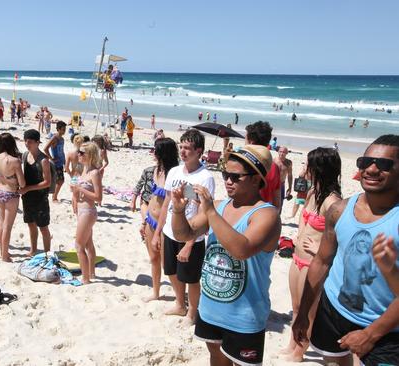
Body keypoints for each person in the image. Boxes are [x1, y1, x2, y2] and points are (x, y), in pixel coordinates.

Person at [292, 135, 399, 366]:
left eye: (383, 164)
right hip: (333, 311)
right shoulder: (340, 210)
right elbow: (322, 262)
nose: (370, 169)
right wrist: (303, 314)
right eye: (365, 162)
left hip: (385, 327)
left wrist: (370, 335)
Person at [171, 145, 281, 366]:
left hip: (244, 316)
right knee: (216, 358)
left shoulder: (266, 215)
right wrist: (179, 210)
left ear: (256, 178)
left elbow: (241, 250)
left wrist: (210, 211)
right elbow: (183, 233)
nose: (227, 181)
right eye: (225, 175)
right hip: (211, 309)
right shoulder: (220, 206)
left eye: (235, 176)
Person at [281, 147, 342, 362]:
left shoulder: (332, 202)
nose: (304, 168)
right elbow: (303, 217)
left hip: (313, 262)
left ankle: (301, 348)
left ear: (319, 169)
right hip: (298, 258)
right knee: (296, 307)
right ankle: (292, 344)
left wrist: (320, 250)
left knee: (309, 310)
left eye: (308, 165)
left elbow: (341, 236)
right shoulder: (312, 193)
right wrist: (298, 235)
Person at [154, 130, 215, 323]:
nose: (182, 151)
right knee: (171, 271)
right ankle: (180, 304)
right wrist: (157, 232)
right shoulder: (174, 171)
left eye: (187, 148)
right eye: (181, 147)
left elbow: (203, 212)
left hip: (192, 236)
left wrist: (190, 244)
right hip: (169, 231)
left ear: (199, 151)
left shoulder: (206, 177)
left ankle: (192, 312)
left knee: (191, 278)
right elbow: (166, 204)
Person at [140, 138, 179, 304]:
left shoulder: (175, 173)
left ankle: (179, 298)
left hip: (165, 224)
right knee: (153, 258)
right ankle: (155, 292)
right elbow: (150, 198)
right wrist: (143, 221)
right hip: (150, 220)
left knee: (167, 264)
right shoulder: (156, 170)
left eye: (156, 150)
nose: (153, 153)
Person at [0, 133, 25, 262]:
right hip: (11, 193)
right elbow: (22, 183)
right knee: (7, 226)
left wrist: (1, 176)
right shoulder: (14, 161)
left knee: (2, 223)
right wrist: (11, 178)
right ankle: (4, 255)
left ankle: (2, 251)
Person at [70, 142, 103, 284]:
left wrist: (80, 189)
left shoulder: (95, 173)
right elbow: (74, 189)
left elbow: (98, 197)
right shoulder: (80, 170)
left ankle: (85, 279)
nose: (79, 155)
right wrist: (74, 192)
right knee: (88, 243)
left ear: (90, 155)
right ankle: (92, 273)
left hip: (89, 211)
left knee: (79, 246)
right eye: (79, 152)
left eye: (82, 153)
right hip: (80, 210)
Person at [20, 129, 52, 256]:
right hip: (27, 198)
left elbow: (47, 182)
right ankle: (33, 250)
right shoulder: (25, 155)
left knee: (43, 227)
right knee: (31, 225)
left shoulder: (43, 160)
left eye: (30, 141)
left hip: (40, 198)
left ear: (37, 142)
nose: (27, 144)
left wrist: (28, 188)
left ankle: (47, 254)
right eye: (25, 141)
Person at [246, 121, 281, 209]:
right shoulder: (274, 166)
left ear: (251, 141)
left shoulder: (244, 163)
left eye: (245, 139)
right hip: (265, 212)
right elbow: (277, 202)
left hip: (245, 212)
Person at [43, 121, 66, 202]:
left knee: (59, 181)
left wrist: (65, 162)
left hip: (61, 163)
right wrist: (51, 158)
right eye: (63, 129)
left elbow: (62, 151)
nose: (64, 131)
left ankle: (54, 196)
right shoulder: (54, 138)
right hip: (55, 164)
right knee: (60, 181)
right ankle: (54, 197)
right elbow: (45, 149)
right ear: (58, 129)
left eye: (65, 129)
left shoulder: (62, 139)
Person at [65, 134, 85, 214]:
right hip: (83, 175)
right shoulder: (84, 153)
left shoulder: (70, 153)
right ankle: (77, 211)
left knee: (74, 195)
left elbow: (66, 167)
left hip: (74, 176)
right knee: (81, 195)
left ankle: (74, 211)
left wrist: (70, 175)